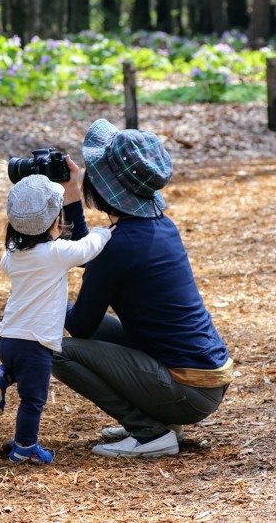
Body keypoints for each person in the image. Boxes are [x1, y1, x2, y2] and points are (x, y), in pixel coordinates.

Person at [50, 118, 233, 458]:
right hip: (204, 379)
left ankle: (149, 432)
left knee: (54, 349)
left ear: (104, 187)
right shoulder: (159, 226)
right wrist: (72, 195)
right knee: (85, 332)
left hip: (188, 390)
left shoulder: (119, 246)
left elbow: (80, 325)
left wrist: (40, 290)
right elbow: (94, 257)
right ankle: (159, 419)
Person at [0, 167, 112, 465]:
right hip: (36, 342)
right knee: (33, 400)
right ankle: (25, 447)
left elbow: (7, 259)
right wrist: (105, 232)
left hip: (9, 337)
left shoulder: (12, 254)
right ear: (55, 222)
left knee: (19, 370)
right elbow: (87, 248)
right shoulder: (56, 253)